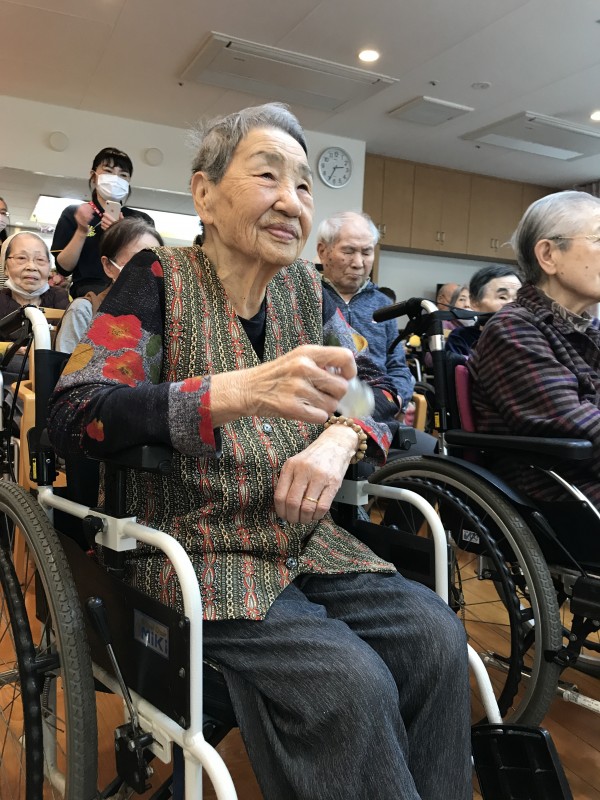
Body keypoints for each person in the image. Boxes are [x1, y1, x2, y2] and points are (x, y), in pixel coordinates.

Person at [48, 103, 470, 800]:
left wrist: (340, 438)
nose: (291, 201)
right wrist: (228, 393)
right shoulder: (159, 279)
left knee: (437, 636)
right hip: (193, 552)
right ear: (204, 194)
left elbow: (375, 397)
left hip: (308, 543)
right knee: (350, 681)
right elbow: (74, 414)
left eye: (303, 185)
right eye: (267, 175)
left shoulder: (308, 293)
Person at [470, 190, 600, 509]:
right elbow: (572, 423)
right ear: (548, 255)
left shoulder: (588, 328)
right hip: (558, 490)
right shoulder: (513, 328)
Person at [317, 211, 415, 411]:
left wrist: (394, 401)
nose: (358, 263)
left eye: (366, 252)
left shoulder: (384, 304)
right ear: (323, 251)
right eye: (348, 251)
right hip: (319, 408)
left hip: (377, 405)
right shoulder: (307, 296)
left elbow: (398, 367)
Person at [51, 147, 154, 299]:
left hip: (128, 293)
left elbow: (146, 268)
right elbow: (64, 268)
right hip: (87, 295)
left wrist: (121, 234)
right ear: (93, 176)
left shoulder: (141, 221)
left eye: (123, 175)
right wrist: (81, 231)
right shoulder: (75, 213)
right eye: (108, 171)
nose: (115, 179)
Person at [55, 217, 163, 354]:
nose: (148, 271)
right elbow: (64, 365)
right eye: (138, 261)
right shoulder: (84, 311)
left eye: (155, 263)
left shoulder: (165, 318)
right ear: (108, 266)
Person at [0, 231, 69, 383]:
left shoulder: (63, 299)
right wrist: (10, 347)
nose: (31, 266)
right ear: (5, 267)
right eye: (21, 258)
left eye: (40, 260)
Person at [447, 264, 522, 356]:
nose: (513, 304)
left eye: (517, 299)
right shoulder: (462, 337)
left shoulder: (531, 336)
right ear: (475, 302)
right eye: (502, 297)